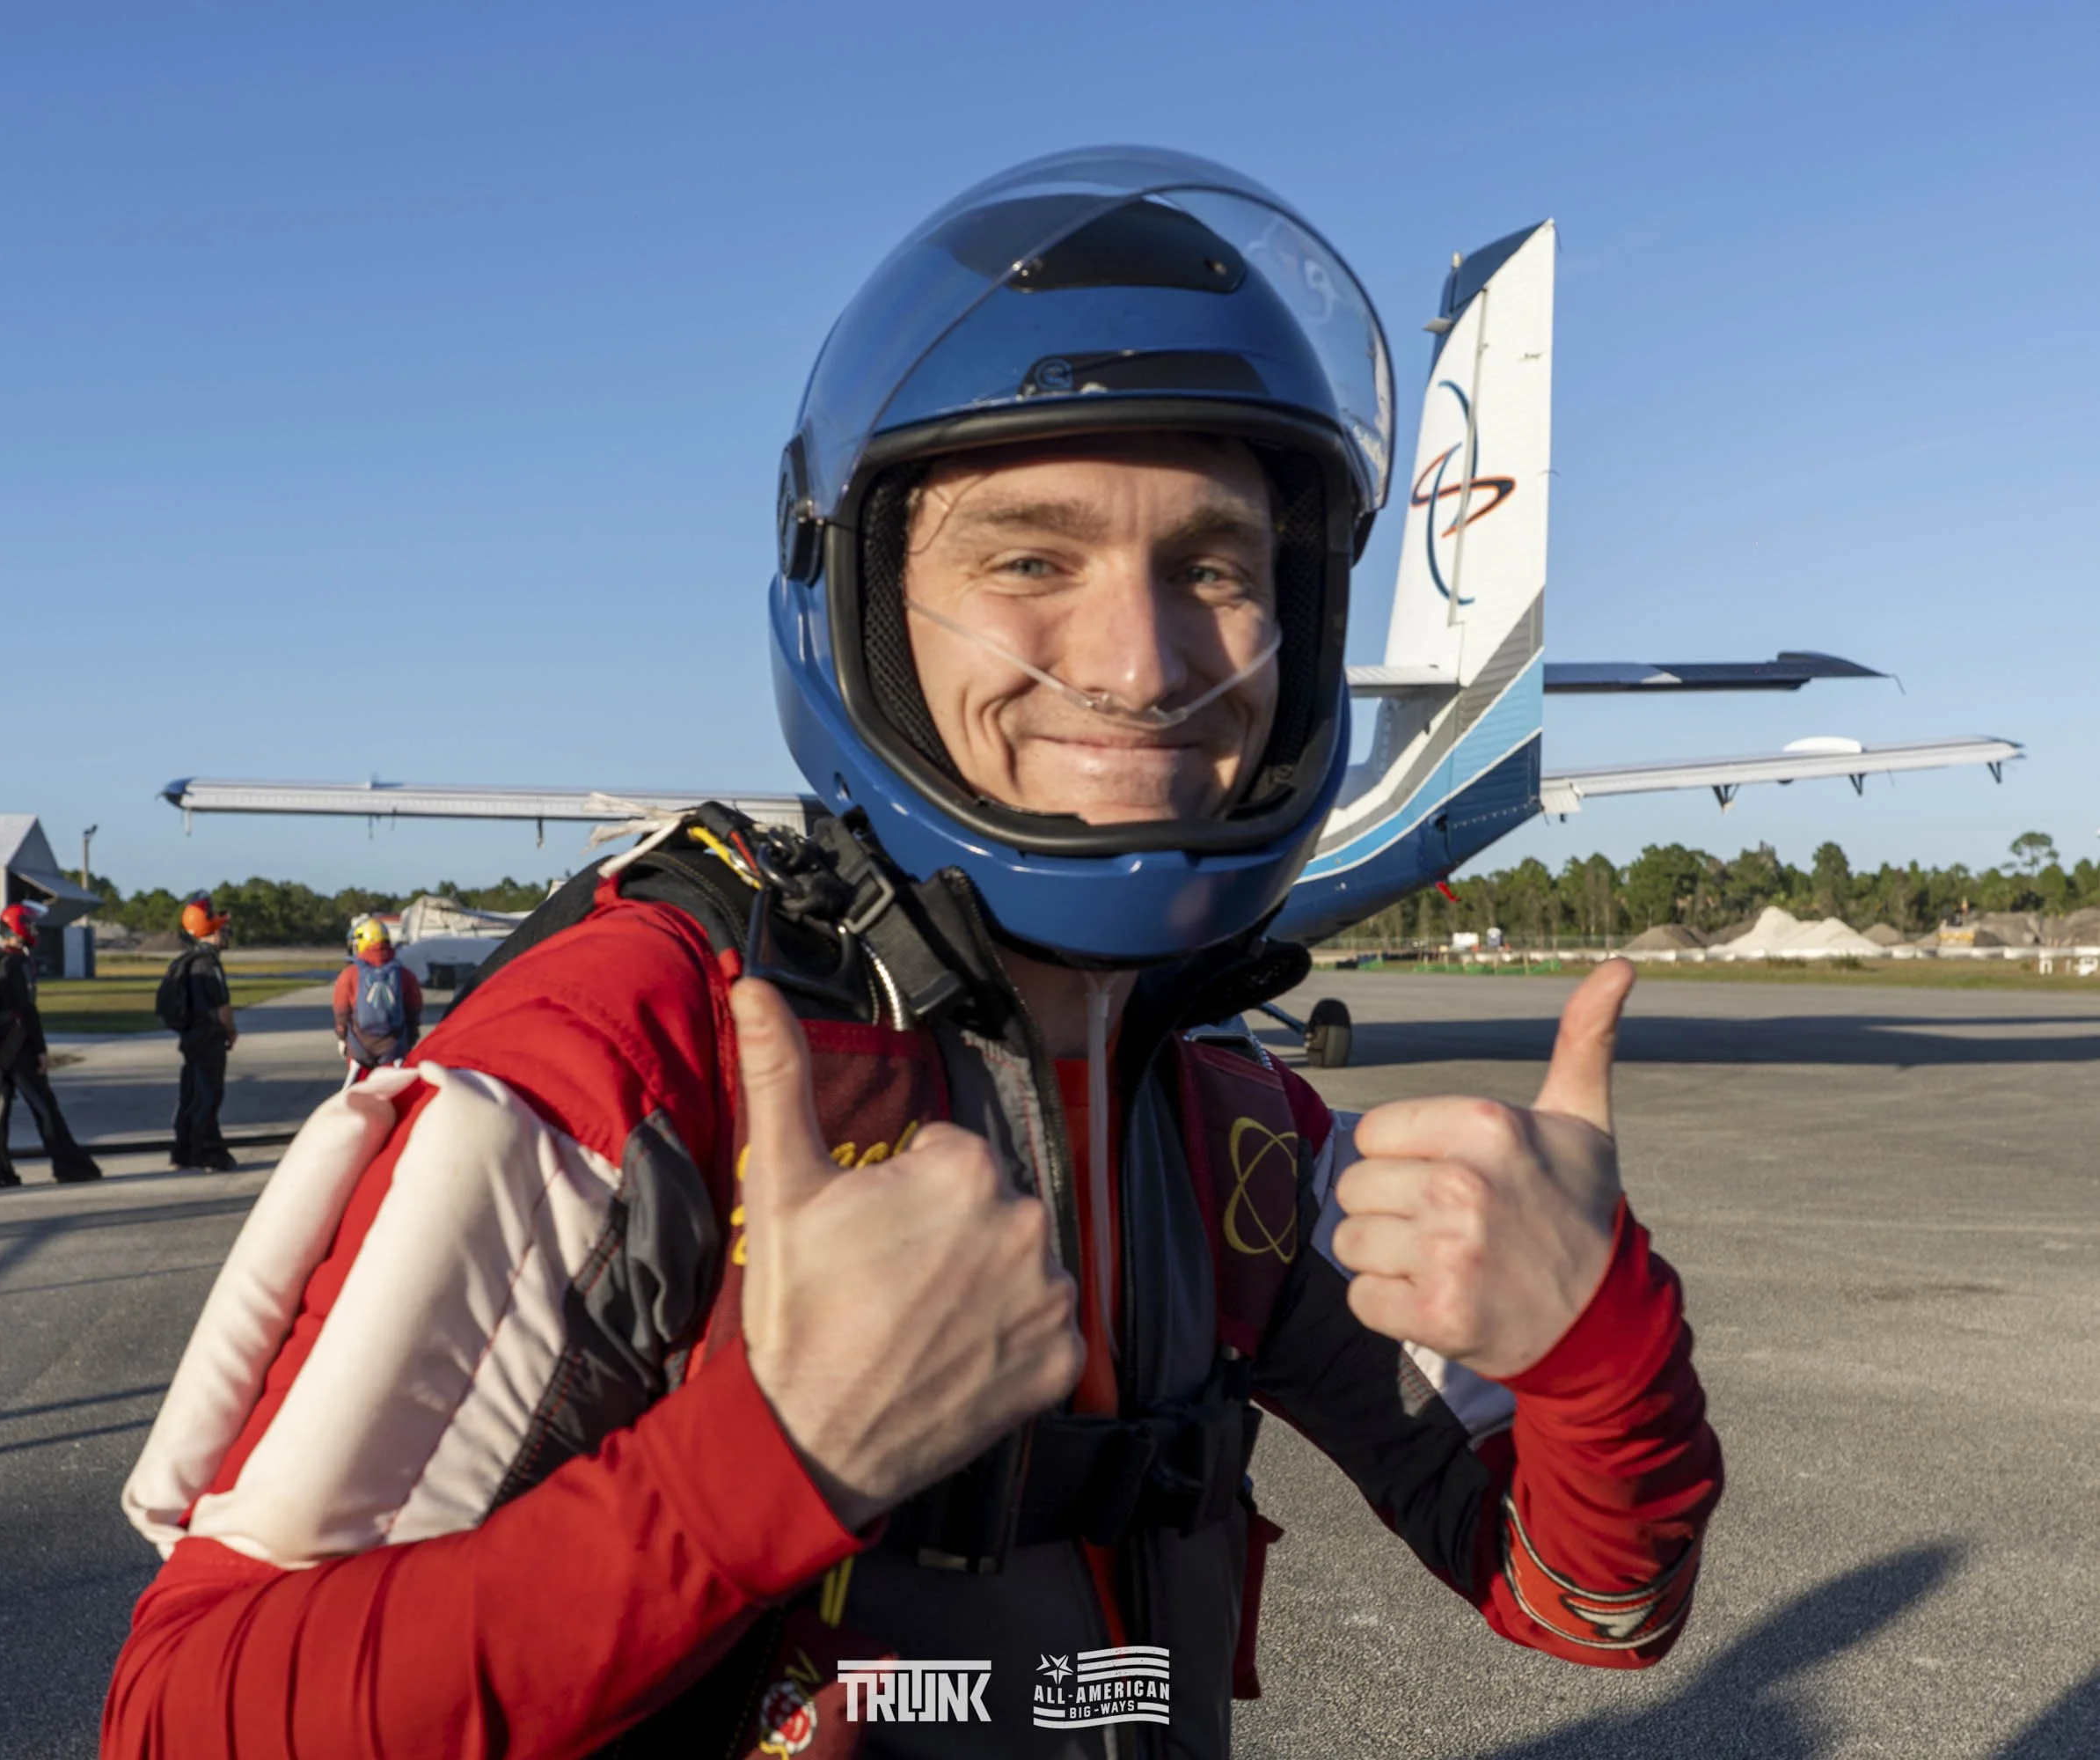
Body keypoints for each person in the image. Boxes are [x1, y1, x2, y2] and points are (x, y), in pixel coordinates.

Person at [108, 150, 1721, 1759]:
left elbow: (1595, 1602)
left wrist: (1597, 1348)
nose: (1144, 663)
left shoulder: (1225, 1121)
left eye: (1214, 568)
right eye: (1028, 560)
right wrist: (758, 1468)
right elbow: (183, 1721)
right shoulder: (640, 1058)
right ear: (863, 602)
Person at [0, 902, 101, 1190]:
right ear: (18, 927)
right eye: (30, 925)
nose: (34, 930)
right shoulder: (18, 962)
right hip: (19, 1047)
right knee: (45, 1108)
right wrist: (41, 1050)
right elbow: (27, 1012)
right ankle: (69, 1166)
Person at [166, 896, 238, 1173]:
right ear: (214, 932)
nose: (226, 937)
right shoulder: (209, 965)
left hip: (190, 1038)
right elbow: (222, 1008)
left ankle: (183, 1151)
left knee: (191, 1093)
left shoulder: (188, 961)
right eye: (224, 931)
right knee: (209, 1096)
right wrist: (230, 1032)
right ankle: (209, 1151)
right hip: (209, 1039)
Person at [330, 915, 424, 1083]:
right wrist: (411, 1039)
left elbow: (341, 1011)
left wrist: (342, 1038)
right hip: (394, 1046)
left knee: (357, 1093)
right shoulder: (404, 974)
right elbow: (414, 1010)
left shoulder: (350, 974)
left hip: (359, 1047)